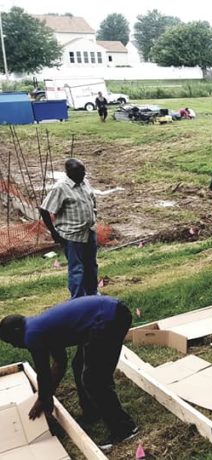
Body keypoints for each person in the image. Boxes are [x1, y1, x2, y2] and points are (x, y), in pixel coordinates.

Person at [0, 296, 137, 451]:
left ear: (17, 331)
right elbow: (59, 364)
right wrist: (47, 397)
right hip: (109, 314)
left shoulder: (31, 335)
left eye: (12, 341)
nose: (15, 346)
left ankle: (124, 429)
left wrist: (43, 402)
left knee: (94, 378)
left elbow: (43, 373)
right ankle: (94, 413)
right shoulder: (39, 328)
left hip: (109, 318)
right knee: (79, 366)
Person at [40, 159, 98, 298]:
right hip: (72, 236)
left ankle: (92, 294)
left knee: (91, 265)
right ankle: (78, 299)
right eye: (79, 173)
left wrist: (93, 214)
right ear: (69, 173)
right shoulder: (60, 188)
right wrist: (54, 233)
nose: (83, 175)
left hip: (89, 232)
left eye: (83, 171)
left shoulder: (84, 182)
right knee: (77, 269)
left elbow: (92, 199)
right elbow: (44, 209)